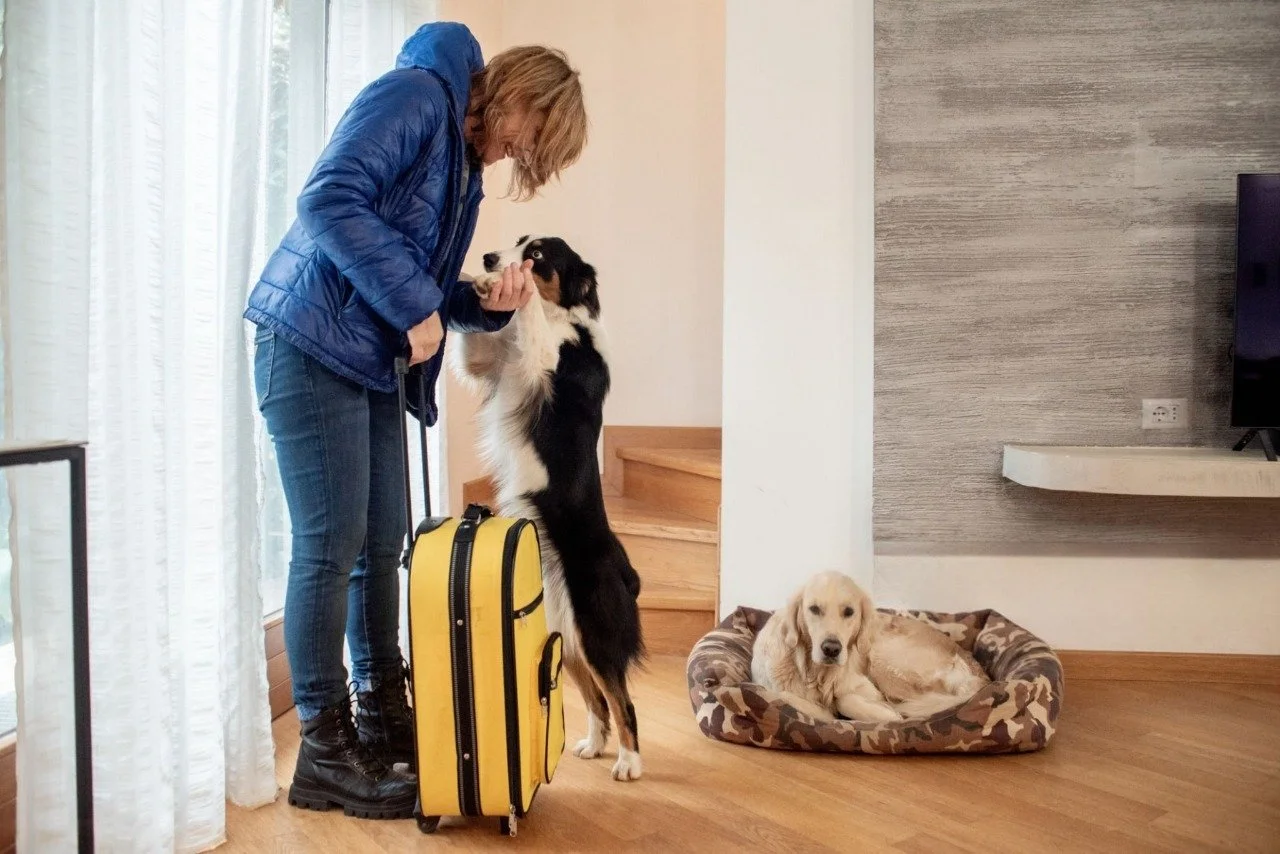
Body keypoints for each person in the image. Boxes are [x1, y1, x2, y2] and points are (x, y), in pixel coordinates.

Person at [243, 21, 587, 818]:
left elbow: (415, 280)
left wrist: (483, 303)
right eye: (530, 138)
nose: (518, 156)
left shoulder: (460, 159)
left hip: (362, 354)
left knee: (382, 543)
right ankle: (325, 750)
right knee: (330, 546)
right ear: (519, 96)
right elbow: (327, 200)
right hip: (309, 343)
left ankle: (381, 715)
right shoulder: (415, 97)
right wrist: (413, 304)